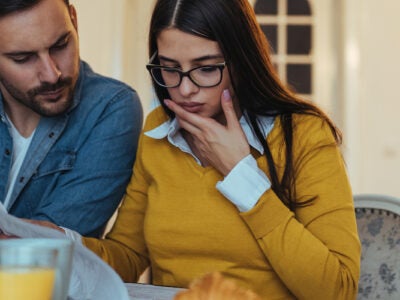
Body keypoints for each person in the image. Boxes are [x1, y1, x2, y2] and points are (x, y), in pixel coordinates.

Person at [76, 0, 359, 298]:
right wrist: (59, 243)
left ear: (242, 60)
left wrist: (241, 174)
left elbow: (337, 290)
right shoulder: (156, 130)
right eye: (169, 68)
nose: (185, 89)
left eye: (207, 68)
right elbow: (128, 256)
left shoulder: (303, 134)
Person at [0, 0, 143, 237]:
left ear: (74, 21)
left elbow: (48, 248)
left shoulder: (110, 108)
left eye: (61, 45)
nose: (52, 74)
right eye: (23, 58)